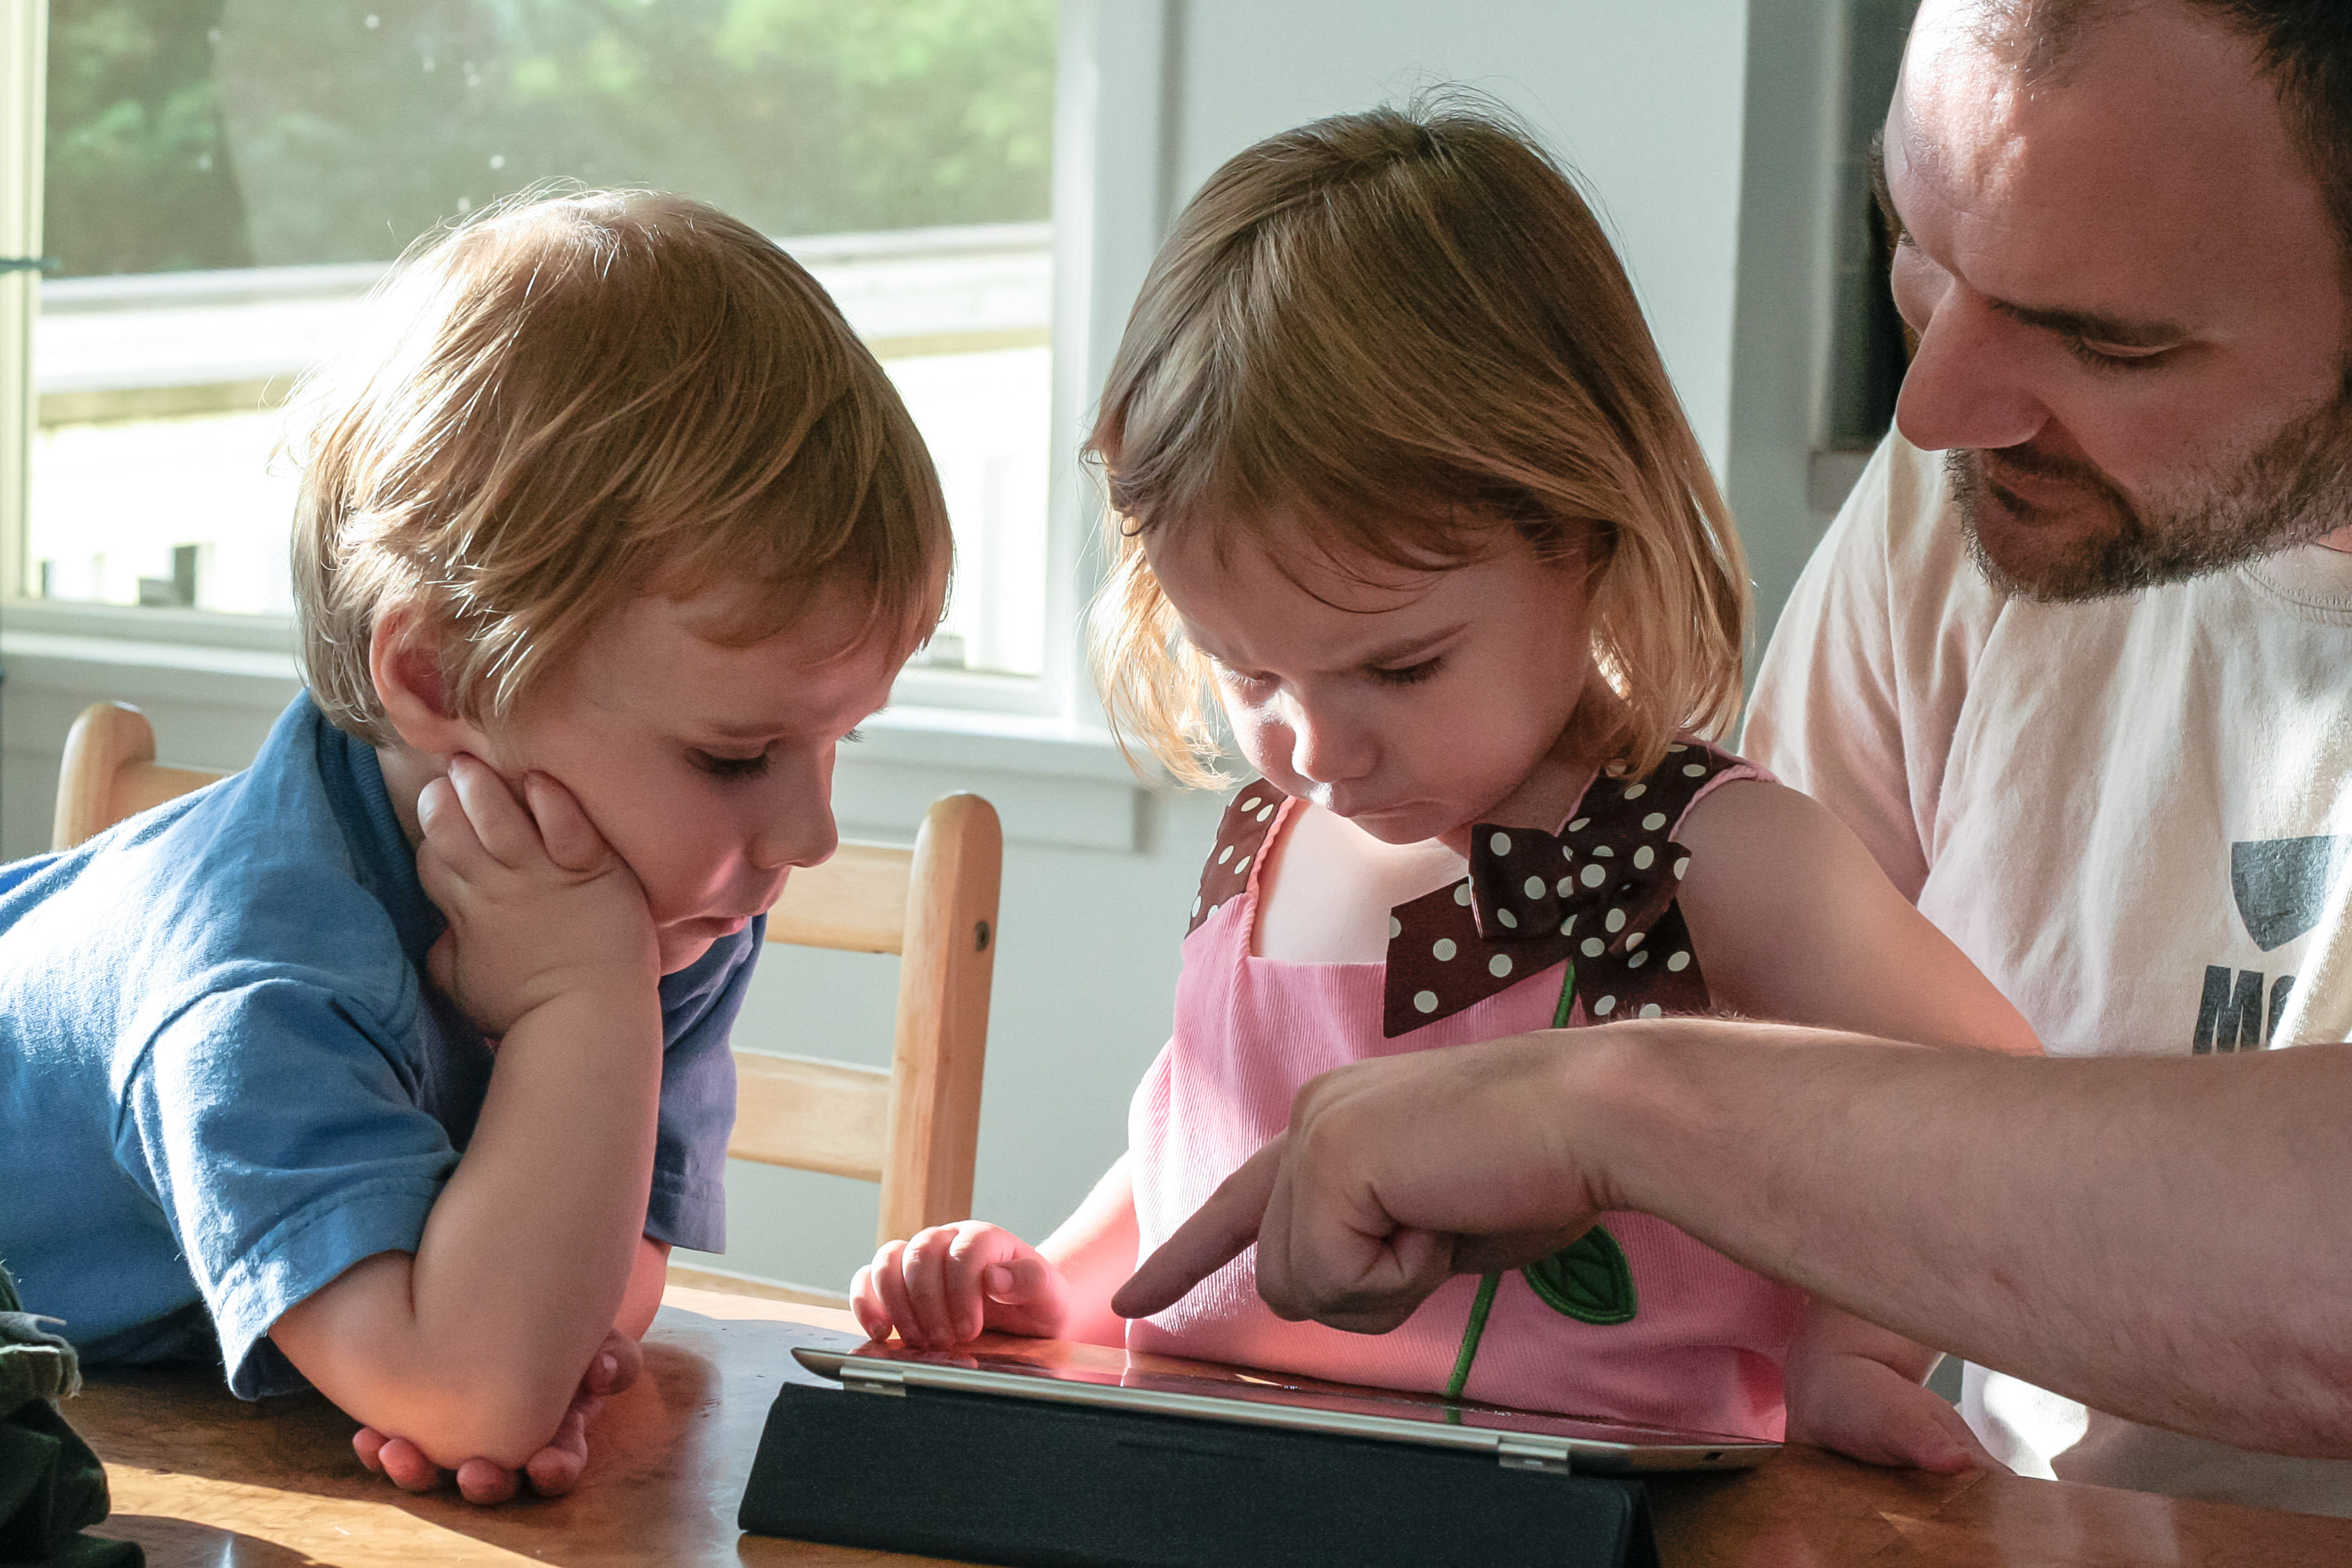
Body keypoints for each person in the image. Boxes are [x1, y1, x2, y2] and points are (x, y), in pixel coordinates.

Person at [1117, 0, 2352, 1518]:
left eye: (2108, 337)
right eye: (1913, 242)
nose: (1930, 410)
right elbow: (1795, 1112)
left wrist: (1617, 1110)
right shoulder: (1962, 498)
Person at [850, 103, 2039, 1470]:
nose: (1315, 747)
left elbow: (1988, 1105)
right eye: (1247, 674)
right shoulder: (1268, 839)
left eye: (1400, 671)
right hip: (1200, 1494)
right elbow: (1214, 1133)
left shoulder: (1709, 856)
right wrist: (1052, 1280)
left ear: (1586, 537)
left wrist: (1859, 1343)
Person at [0, 191, 947, 1505]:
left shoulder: (658, 902)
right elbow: (473, 1396)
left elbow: (594, 1291)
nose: (810, 831)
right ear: (439, 678)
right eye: (735, 756)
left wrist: (508, 1344)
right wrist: (578, 1011)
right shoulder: (257, 971)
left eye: (842, 740)